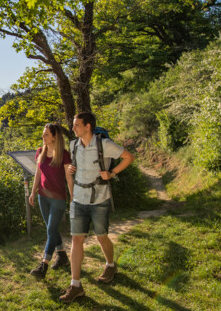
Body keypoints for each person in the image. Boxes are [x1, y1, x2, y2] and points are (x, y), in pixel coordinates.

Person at [60, 112, 135, 303]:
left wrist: (111, 173)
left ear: (88, 126)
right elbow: (74, 168)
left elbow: (128, 157)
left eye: (77, 125)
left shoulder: (104, 144)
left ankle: (110, 265)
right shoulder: (73, 145)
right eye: (73, 125)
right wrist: (70, 170)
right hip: (78, 198)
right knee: (77, 240)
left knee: (101, 237)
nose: (73, 128)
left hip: (100, 199)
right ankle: (76, 285)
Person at [28, 123, 72, 279]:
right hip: (43, 197)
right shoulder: (40, 151)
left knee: (50, 231)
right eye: (43, 134)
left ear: (55, 136)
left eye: (46, 134)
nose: (43, 137)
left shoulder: (64, 154)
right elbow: (38, 174)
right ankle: (62, 256)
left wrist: (72, 196)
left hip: (58, 199)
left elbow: (68, 176)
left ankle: (43, 265)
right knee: (51, 229)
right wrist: (33, 192)